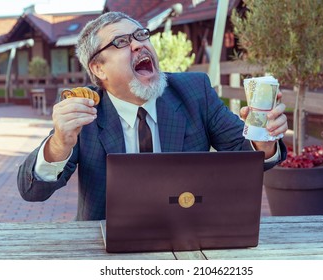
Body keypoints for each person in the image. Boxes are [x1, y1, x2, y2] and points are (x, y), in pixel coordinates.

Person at [17, 11, 288, 221]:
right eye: (121, 41)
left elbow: (244, 155)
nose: (137, 45)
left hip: (187, 233)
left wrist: (263, 140)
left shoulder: (194, 91)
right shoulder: (84, 111)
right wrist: (58, 144)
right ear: (99, 69)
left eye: (141, 35)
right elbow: (32, 192)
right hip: (105, 244)